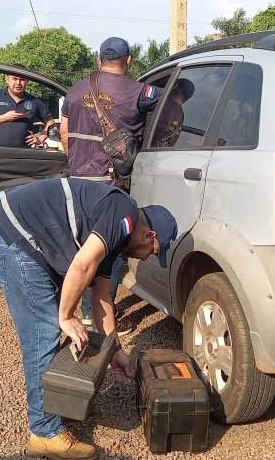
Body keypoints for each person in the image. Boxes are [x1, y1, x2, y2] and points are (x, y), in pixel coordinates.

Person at [0, 178, 177, 459]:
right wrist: (67, 316)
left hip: (15, 232)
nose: (145, 259)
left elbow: (101, 299)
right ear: (149, 235)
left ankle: (56, 404)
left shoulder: (115, 236)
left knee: (52, 321)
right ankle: (44, 433)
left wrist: (116, 349)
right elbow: (81, 264)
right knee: (43, 330)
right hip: (9, 235)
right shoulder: (124, 212)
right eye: (152, 253)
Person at [60, 37, 161, 332]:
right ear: (128, 61)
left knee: (83, 247)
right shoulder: (139, 91)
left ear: (98, 59)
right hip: (111, 184)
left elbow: (65, 132)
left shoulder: (76, 90)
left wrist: (78, 160)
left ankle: (86, 311)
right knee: (110, 248)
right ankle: (102, 312)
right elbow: (171, 108)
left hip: (78, 183)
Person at [0, 66, 55, 147]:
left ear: (27, 81)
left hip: (23, 155)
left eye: (22, 79)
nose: (18, 83)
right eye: (15, 79)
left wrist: (40, 139)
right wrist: (5, 117)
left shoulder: (33, 101)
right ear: (7, 79)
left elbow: (50, 122)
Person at [151, 77, 195, 148]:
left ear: (175, 87)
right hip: (161, 153)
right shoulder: (181, 115)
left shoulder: (164, 104)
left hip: (148, 149)